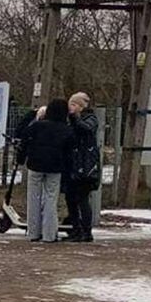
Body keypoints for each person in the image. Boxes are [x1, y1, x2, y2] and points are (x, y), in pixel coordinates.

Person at [20, 98, 74, 243]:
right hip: (55, 167)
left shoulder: (37, 126)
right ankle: (49, 234)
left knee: (33, 198)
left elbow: (23, 136)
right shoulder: (66, 130)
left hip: (35, 164)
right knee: (51, 199)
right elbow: (69, 152)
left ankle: (33, 232)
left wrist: (21, 158)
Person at [65, 92, 101, 242]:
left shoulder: (90, 119)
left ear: (80, 106)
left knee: (82, 198)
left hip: (86, 166)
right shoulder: (70, 121)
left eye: (74, 105)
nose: (70, 108)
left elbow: (85, 129)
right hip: (73, 164)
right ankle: (75, 228)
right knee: (70, 198)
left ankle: (86, 231)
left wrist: (75, 118)